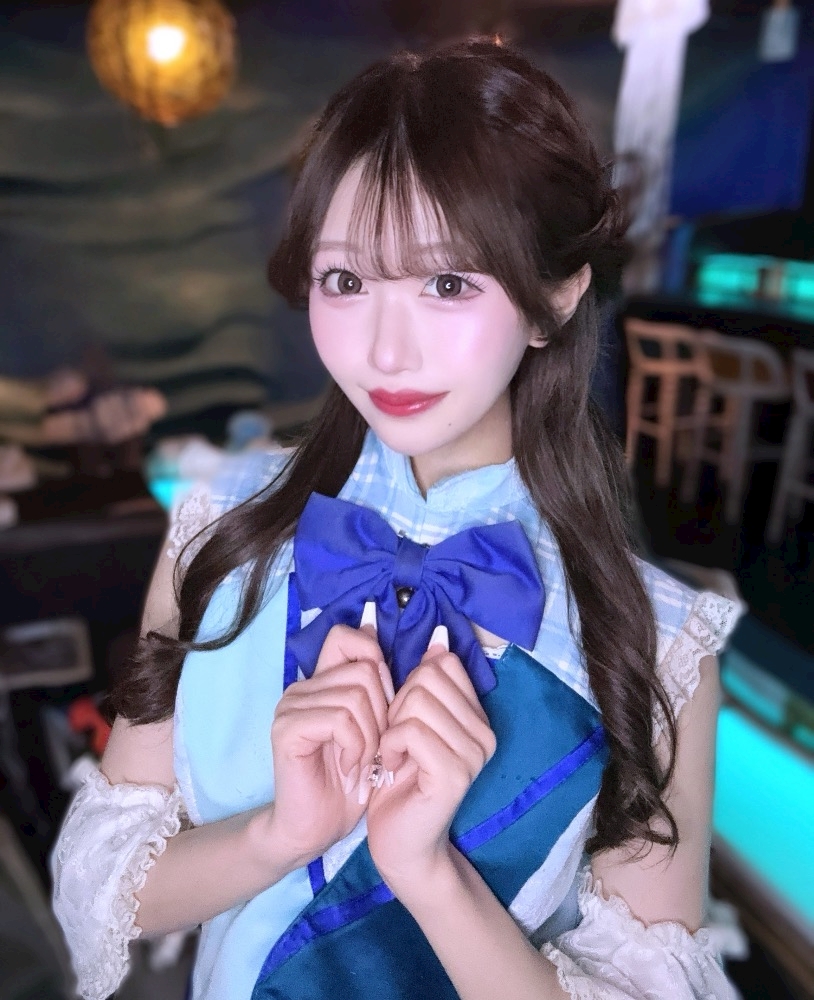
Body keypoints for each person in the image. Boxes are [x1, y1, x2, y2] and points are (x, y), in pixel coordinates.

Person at [51, 38, 741, 1000]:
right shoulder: (224, 532)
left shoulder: (652, 641)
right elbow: (103, 897)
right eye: (345, 281)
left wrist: (431, 876)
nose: (385, 349)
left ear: (554, 297)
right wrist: (279, 835)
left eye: (448, 283)